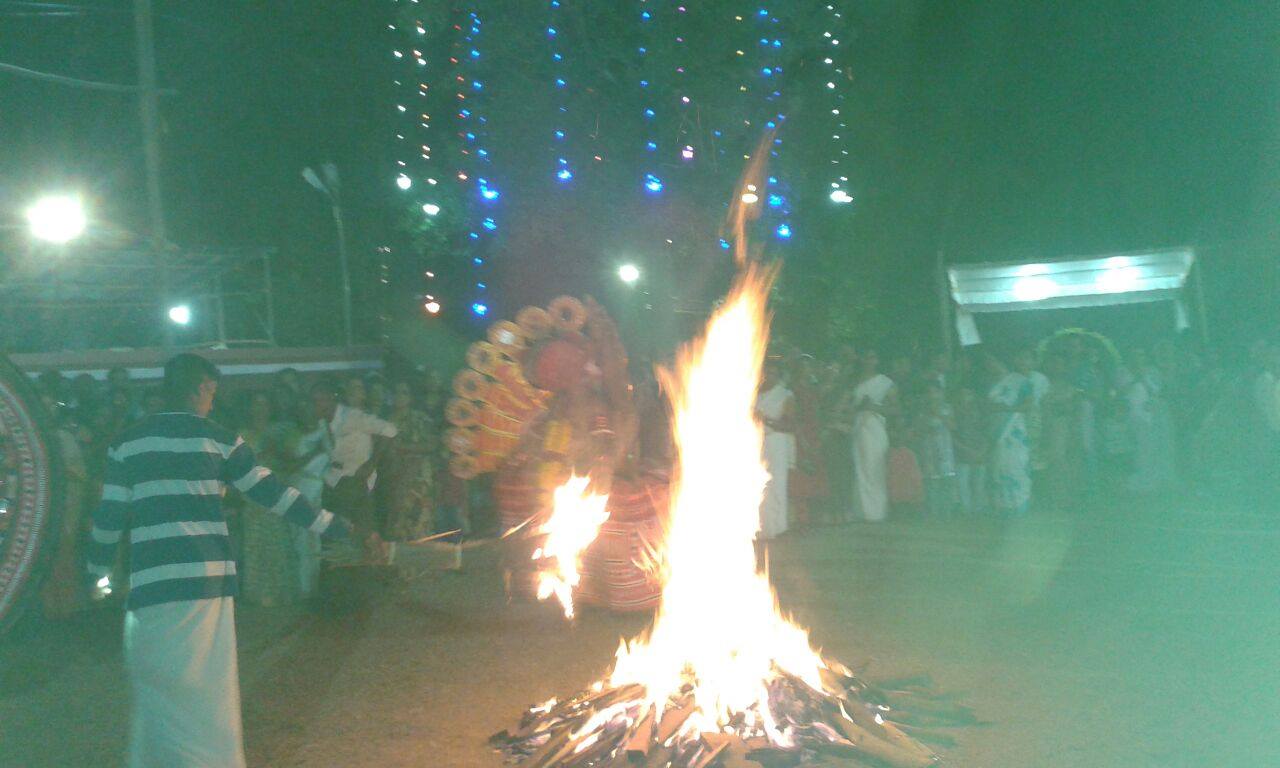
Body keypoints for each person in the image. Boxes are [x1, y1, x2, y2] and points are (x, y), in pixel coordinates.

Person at [86, 353, 362, 768]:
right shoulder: (219, 440)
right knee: (208, 695)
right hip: (207, 587)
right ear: (199, 388)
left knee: (160, 693)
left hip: (153, 586)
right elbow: (274, 495)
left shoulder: (127, 443)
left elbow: (108, 518)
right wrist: (333, 525)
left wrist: (96, 573)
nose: (212, 402)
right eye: (212, 392)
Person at [305, 380, 398, 611]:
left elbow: (390, 431)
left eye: (321, 399)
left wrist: (371, 463)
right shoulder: (322, 423)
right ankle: (338, 596)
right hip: (334, 484)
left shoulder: (352, 417)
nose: (317, 404)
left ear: (331, 399)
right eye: (314, 401)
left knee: (362, 536)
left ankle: (363, 595)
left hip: (355, 484)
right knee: (333, 537)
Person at [383, 381, 437, 541]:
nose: (400, 397)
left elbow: (433, 444)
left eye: (404, 392)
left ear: (410, 397)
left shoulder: (420, 418)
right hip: (394, 482)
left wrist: (405, 448)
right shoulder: (385, 421)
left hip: (418, 483)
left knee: (420, 527)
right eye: (397, 393)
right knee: (398, 528)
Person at [849, 350, 896, 522]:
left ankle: (876, 511)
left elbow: (895, 409)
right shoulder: (855, 380)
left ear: (877, 360)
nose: (869, 361)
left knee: (875, 469)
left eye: (873, 357)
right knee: (860, 468)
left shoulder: (885, 383)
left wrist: (873, 407)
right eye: (866, 357)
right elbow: (849, 406)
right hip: (859, 428)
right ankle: (861, 510)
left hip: (876, 428)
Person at [986, 352, 1034, 515]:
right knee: (998, 466)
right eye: (989, 362)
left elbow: (1028, 405)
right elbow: (987, 407)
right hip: (995, 430)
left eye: (994, 361)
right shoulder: (990, 383)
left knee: (1016, 464)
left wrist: (1007, 410)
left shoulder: (1021, 381)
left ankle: (1019, 503)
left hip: (1014, 429)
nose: (991, 365)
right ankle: (1002, 505)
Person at [755, 358, 795, 539]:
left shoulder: (785, 395)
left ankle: (779, 527)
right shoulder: (755, 395)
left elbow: (789, 424)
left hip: (777, 441)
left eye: (773, 373)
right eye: (767, 372)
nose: (769, 376)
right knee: (759, 485)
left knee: (777, 483)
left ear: (778, 375)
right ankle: (763, 526)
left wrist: (766, 420)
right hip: (757, 442)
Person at [918, 383, 957, 516]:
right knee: (931, 480)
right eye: (930, 392)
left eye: (935, 392)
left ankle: (947, 511)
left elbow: (952, 426)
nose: (932, 395)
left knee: (947, 479)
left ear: (941, 393)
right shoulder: (923, 409)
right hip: (929, 449)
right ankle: (933, 511)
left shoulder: (948, 408)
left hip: (945, 448)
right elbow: (919, 429)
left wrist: (938, 414)